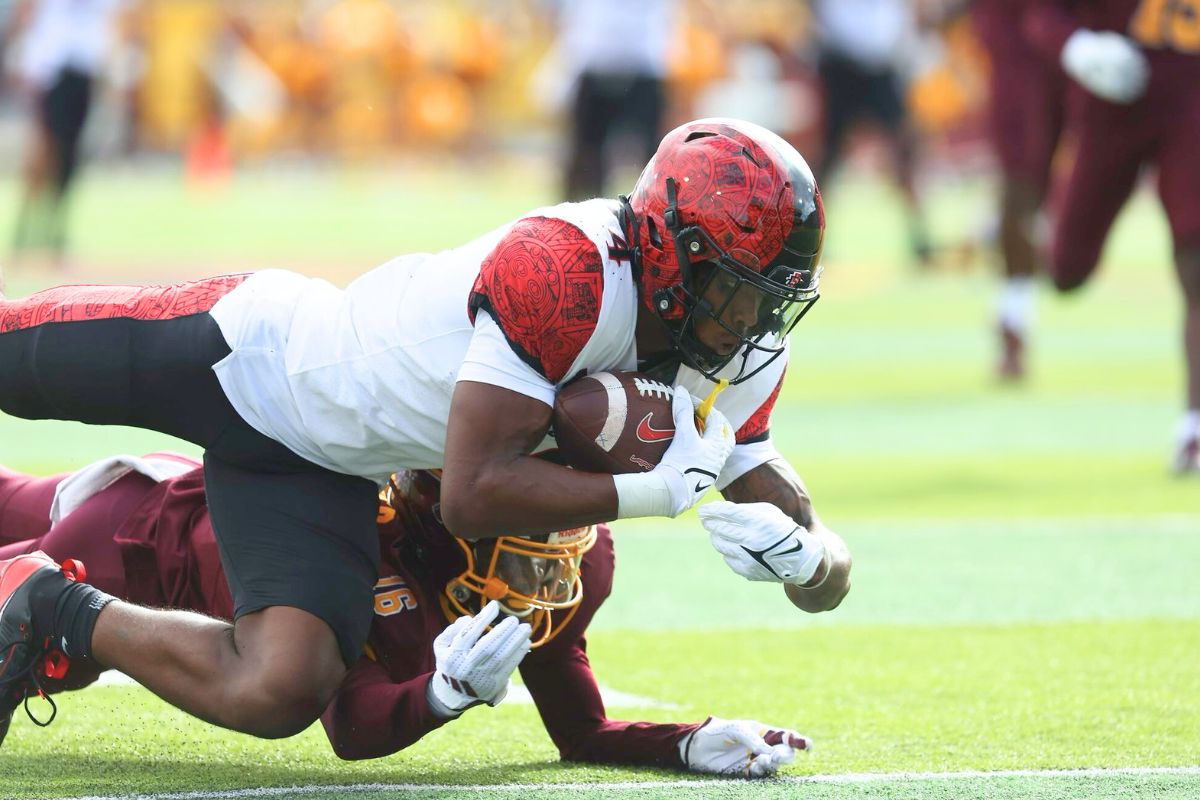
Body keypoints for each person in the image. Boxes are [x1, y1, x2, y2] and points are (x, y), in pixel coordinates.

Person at [0, 117, 853, 742]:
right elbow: (473, 496)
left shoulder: (737, 347)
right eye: (741, 289)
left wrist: (813, 559)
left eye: (774, 296)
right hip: (248, 357)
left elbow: (804, 535)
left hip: (322, 470)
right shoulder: (566, 269)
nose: (756, 320)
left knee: (281, 689)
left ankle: (45, 602)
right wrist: (657, 493)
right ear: (675, 251)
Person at [0, 455, 813, 777]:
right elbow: (348, 720)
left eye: (559, 540)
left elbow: (578, 726)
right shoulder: (366, 551)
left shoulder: (578, 559)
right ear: (440, 520)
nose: (548, 571)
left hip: (157, 494)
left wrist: (683, 743)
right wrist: (439, 696)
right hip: (131, 552)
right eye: (525, 544)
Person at [1021, 1, 1200, 472]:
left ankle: (1193, 427)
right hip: (1113, 104)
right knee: (1066, 270)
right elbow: (1040, 14)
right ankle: (1037, 235)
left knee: (1196, 257)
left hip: (1192, 98)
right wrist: (1076, 46)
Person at [968, 0, 1069, 380]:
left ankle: (1015, 306)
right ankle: (1014, 315)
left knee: (1039, 197)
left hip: (1079, 51)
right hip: (1022, 61)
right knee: (1021, 187)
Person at [808, 0, 934, 264]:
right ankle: (810, 237)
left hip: (881, 62)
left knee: (904, 153)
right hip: (841, 61)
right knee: (828, 159)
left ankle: (921, 235)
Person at [4, 0, 126, 272]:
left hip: (84, 68)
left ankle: (54, 231)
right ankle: (25, 230)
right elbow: (27, 10)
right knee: (44, 152)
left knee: (69, 157)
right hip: (51, 68)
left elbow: (113, 20)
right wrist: (24, 58)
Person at [546, 0, 675, 201]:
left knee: (655, 158)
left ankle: (661, 213)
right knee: (585, 157)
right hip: (594, 58)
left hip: (643, 62)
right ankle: (573, 221)